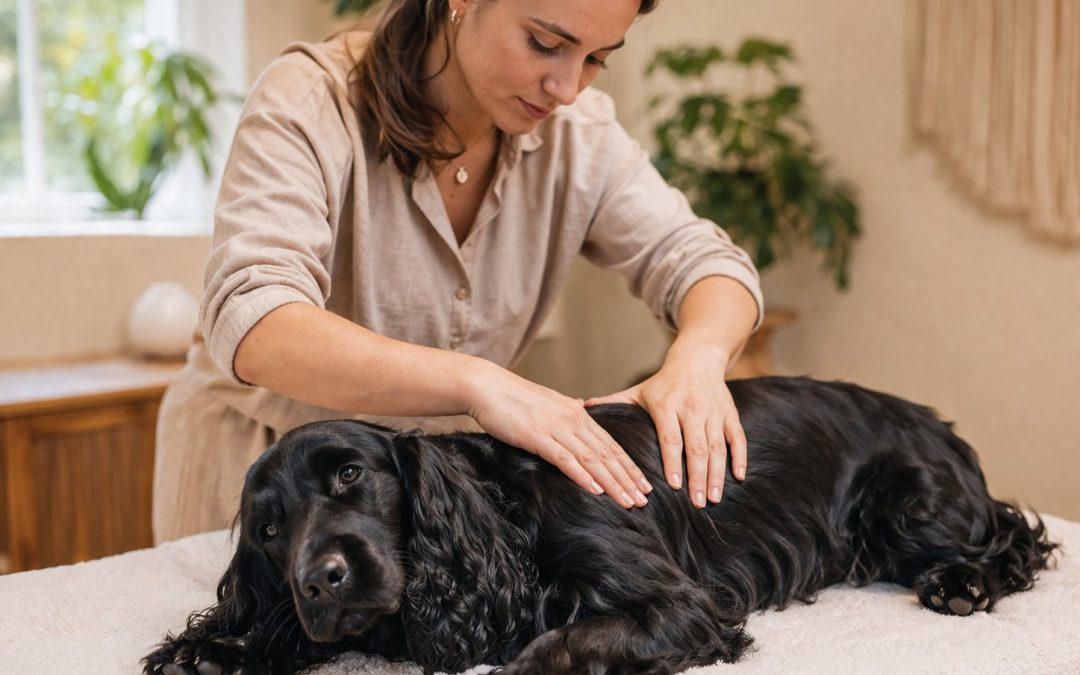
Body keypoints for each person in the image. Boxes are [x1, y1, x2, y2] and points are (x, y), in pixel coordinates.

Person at [152, 0, 763, 544]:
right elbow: (257, 321)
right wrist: (479, 383)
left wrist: (697, 363)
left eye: (598, 57)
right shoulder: (311, 101)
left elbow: (706, 262)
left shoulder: (582, 138)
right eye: (546, 44)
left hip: (422, 495)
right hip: (262, 485)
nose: (568, 87)